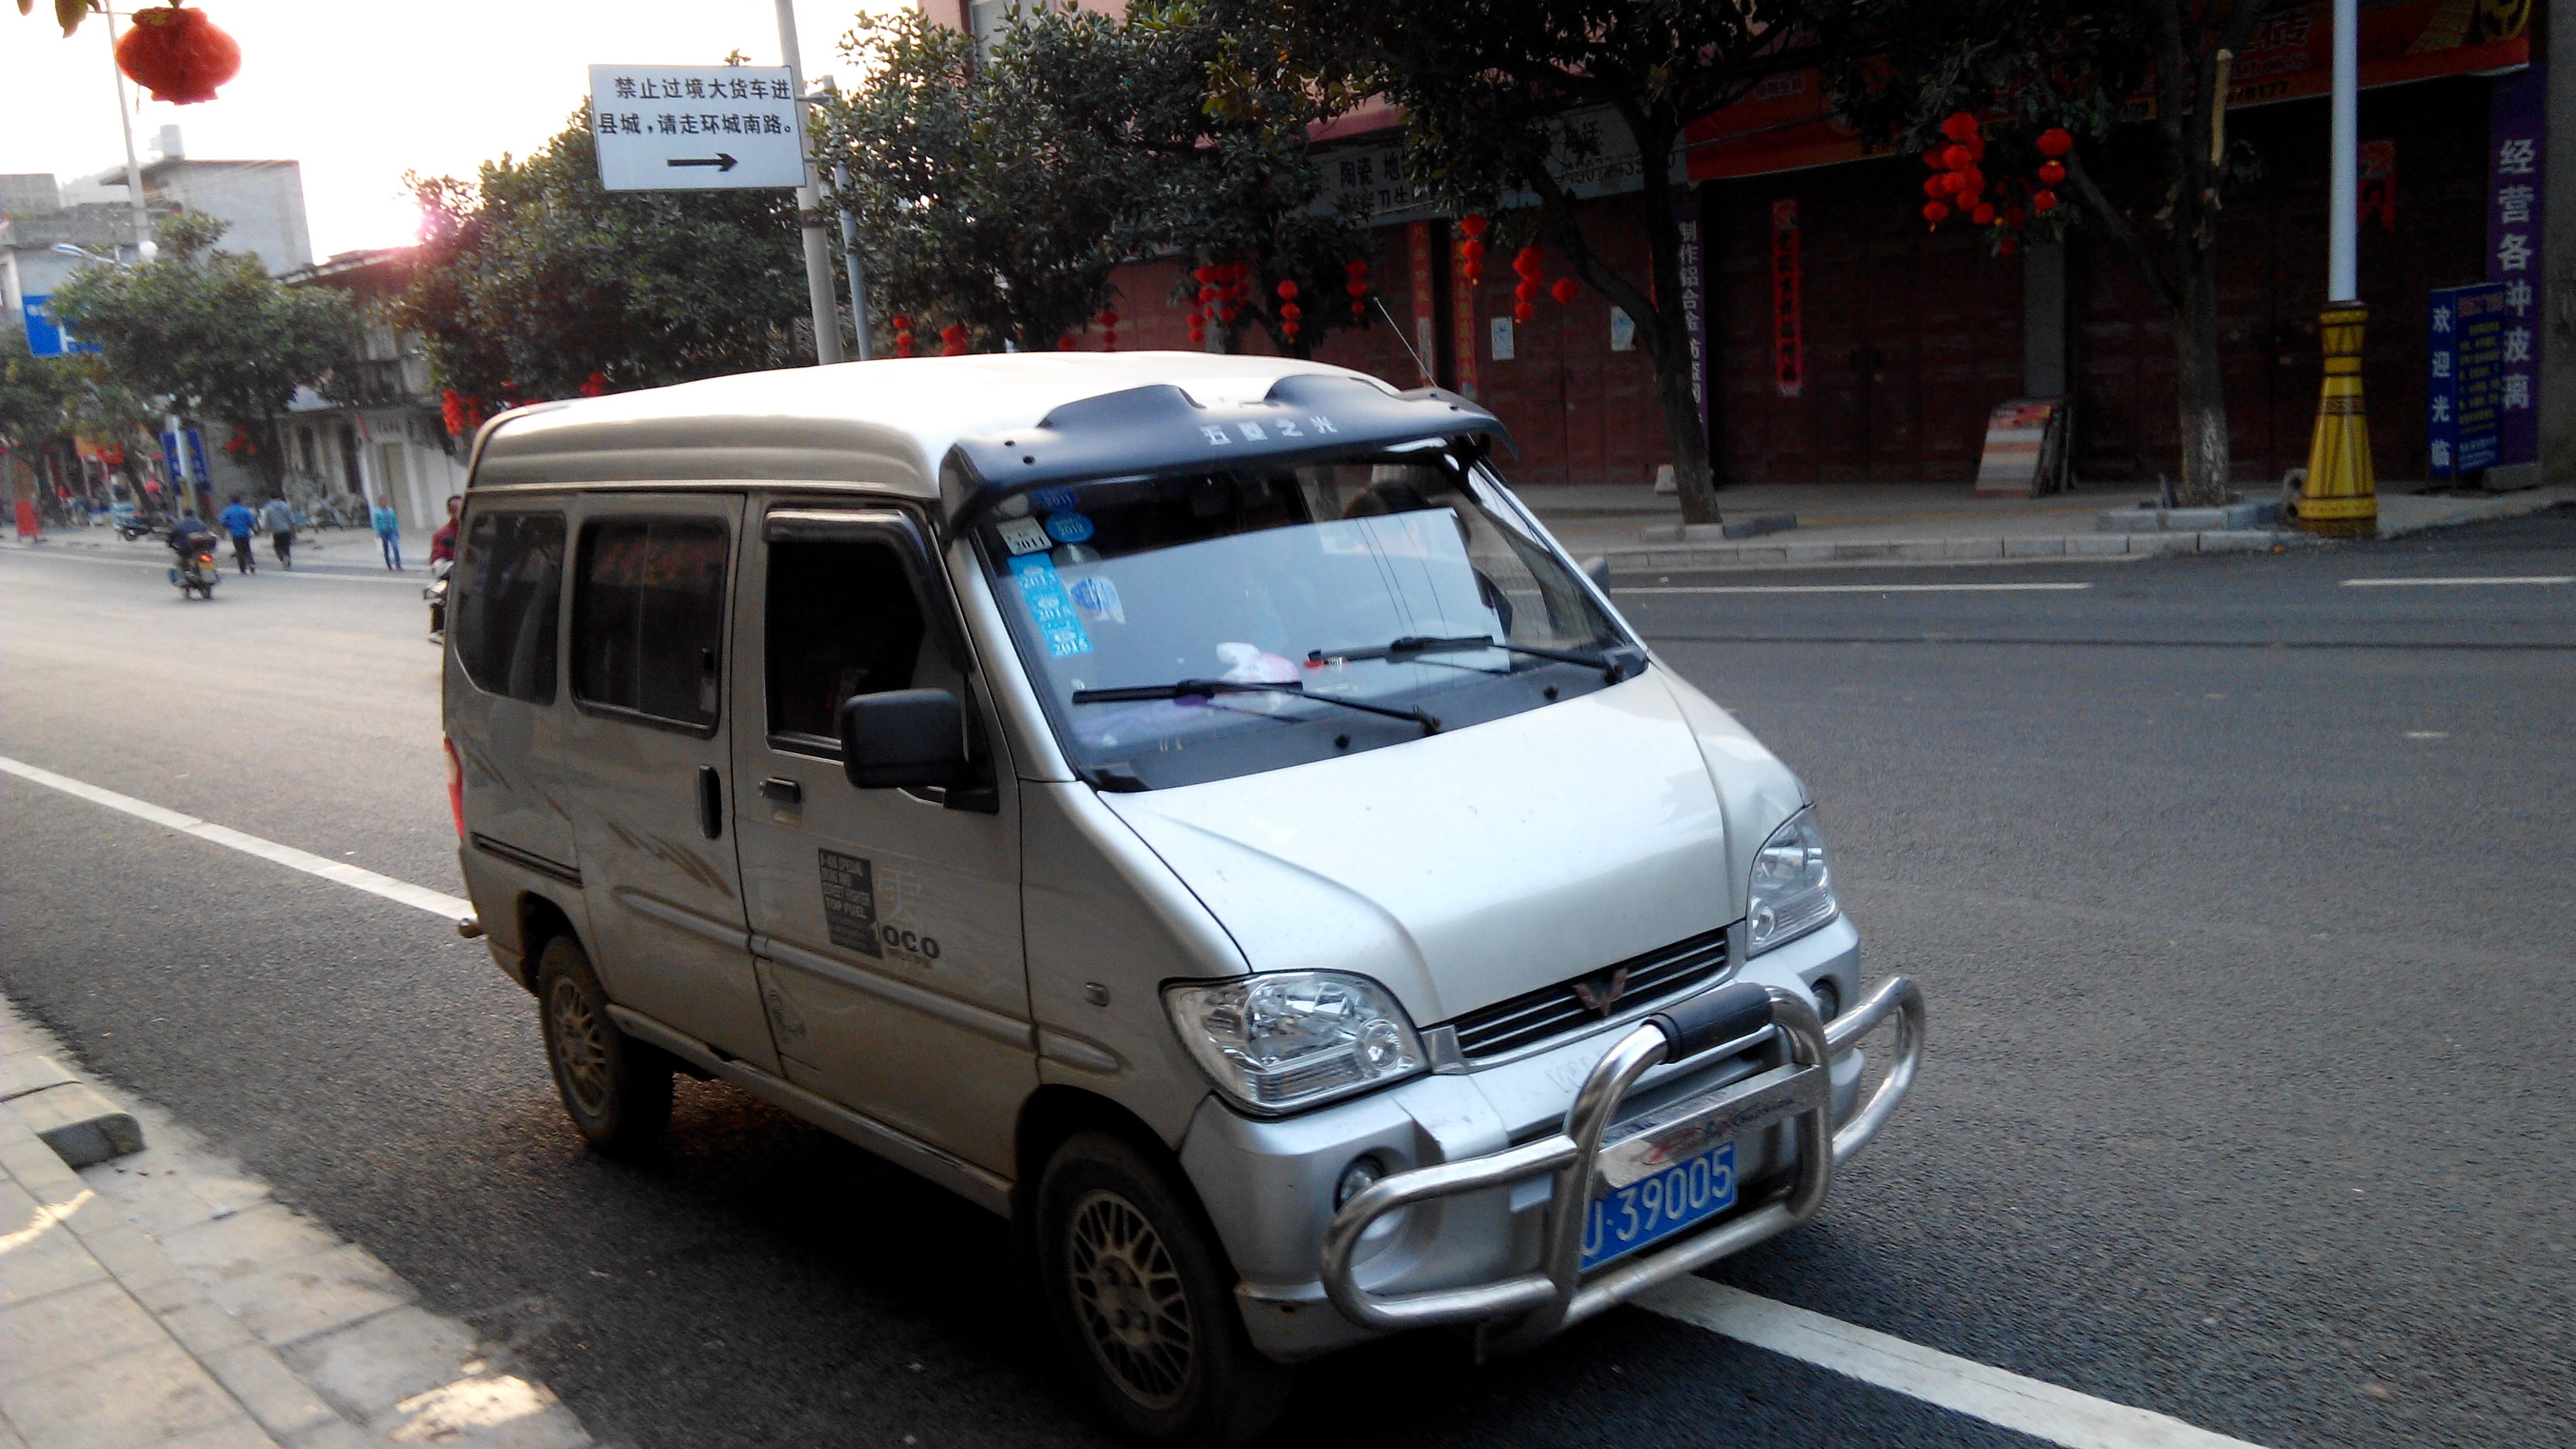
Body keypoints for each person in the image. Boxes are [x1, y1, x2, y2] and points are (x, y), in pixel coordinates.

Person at [218, 494, 259, 574]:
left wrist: (229, 525)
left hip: (235, 534)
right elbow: (251, 522)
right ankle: (251, 563)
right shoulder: (245, 510)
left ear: (231, 501)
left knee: (239, 550)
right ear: (240, 501)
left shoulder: (228, 511)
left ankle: (242, 568)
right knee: (247, 549)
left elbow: (223, 522)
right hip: (245, 533)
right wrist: (255, 531)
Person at [260, 494, 296, 569]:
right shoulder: (285, 506)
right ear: (279, 498)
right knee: (286, 546)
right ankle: (287, 558)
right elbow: (291, 518)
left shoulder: (268, 508)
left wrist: (266, 530)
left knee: (277, 546)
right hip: (286, 529)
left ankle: (282, 556)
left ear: (271, 498)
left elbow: (266, 520)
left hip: (276, 531)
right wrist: (293, 528)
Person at [428, 494, 461, 567]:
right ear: (450, 512)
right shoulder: (442, 535)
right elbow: (437, 561)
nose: (459, 514)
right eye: (455, 510)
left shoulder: (474, 531)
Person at [372, 500, 402, 570]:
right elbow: (376, 523)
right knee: (386, 548)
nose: (385, 503)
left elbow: (394, 521)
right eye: (383, 502)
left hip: (391, 531)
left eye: (385, 502)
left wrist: (397, 531)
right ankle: (389, 564)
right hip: (383, 531)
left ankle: (398, 564)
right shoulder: (377, 512)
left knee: (395, 547)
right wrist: (378, 532)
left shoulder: (390, 511)